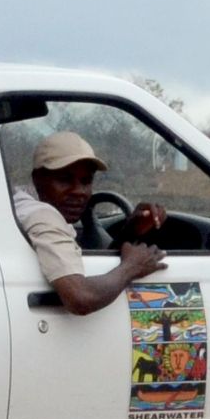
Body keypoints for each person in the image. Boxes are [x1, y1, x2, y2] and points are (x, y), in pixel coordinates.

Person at [15, 127, 166, 315]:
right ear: (37, 179)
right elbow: (80, 298)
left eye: (86, 181)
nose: (79, 191)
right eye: (64, 179)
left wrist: (129, 231)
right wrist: (132, 267)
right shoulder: (43, 216)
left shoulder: (19, 201)